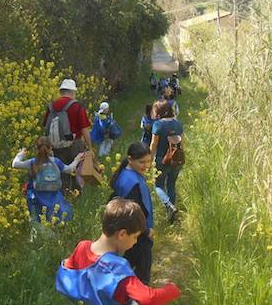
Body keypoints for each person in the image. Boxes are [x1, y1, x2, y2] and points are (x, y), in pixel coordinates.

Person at [56, 198, 181, 305]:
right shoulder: (117, 267)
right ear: (122, 234)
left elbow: (68, 271)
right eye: (135, 237)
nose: (136, 242)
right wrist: (171, 290)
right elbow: (148, 298)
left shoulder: (82, 247)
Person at [109, 143, 154, 285]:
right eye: (142, 162)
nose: (146, 165)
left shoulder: (124, 174)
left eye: (148, 161)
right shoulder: (132, 182)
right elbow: (134, 212)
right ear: (130, 159)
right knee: (141, 274)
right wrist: (146, 231)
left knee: (127, 268)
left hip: (128, 232)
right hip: (137, 234)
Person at [12, 137, 84, 224]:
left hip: (37, 198)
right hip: (54, 197)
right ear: (51, 148)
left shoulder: (32, 162)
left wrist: (21, 154)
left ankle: (40, 235)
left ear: (36, 149)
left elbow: (15, 164)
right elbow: (70, 169)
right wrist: (76, 160)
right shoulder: (56, 162)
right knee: (56, 216)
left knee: (38, 220)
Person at [41, 79, 92, 189]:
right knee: (76, 172)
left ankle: (62, 194)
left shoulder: (51, 106)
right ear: (72, 92)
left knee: (60, 172)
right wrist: (90, 147)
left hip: (55, 146)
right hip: (74, 145)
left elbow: (46, 126)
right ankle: (76, 197)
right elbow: (84, 129)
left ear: (61, 92)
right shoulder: (77, 106)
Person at [150, 100, 184, 223]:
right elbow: (182, 143)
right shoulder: (178, 123)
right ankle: (171, 218)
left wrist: (149, 160)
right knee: (171, 186)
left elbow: (154, 145)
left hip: (161, 161)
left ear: (159, 111)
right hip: (176, 160)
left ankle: (169, 205)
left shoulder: (158, 125)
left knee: (158, 186)